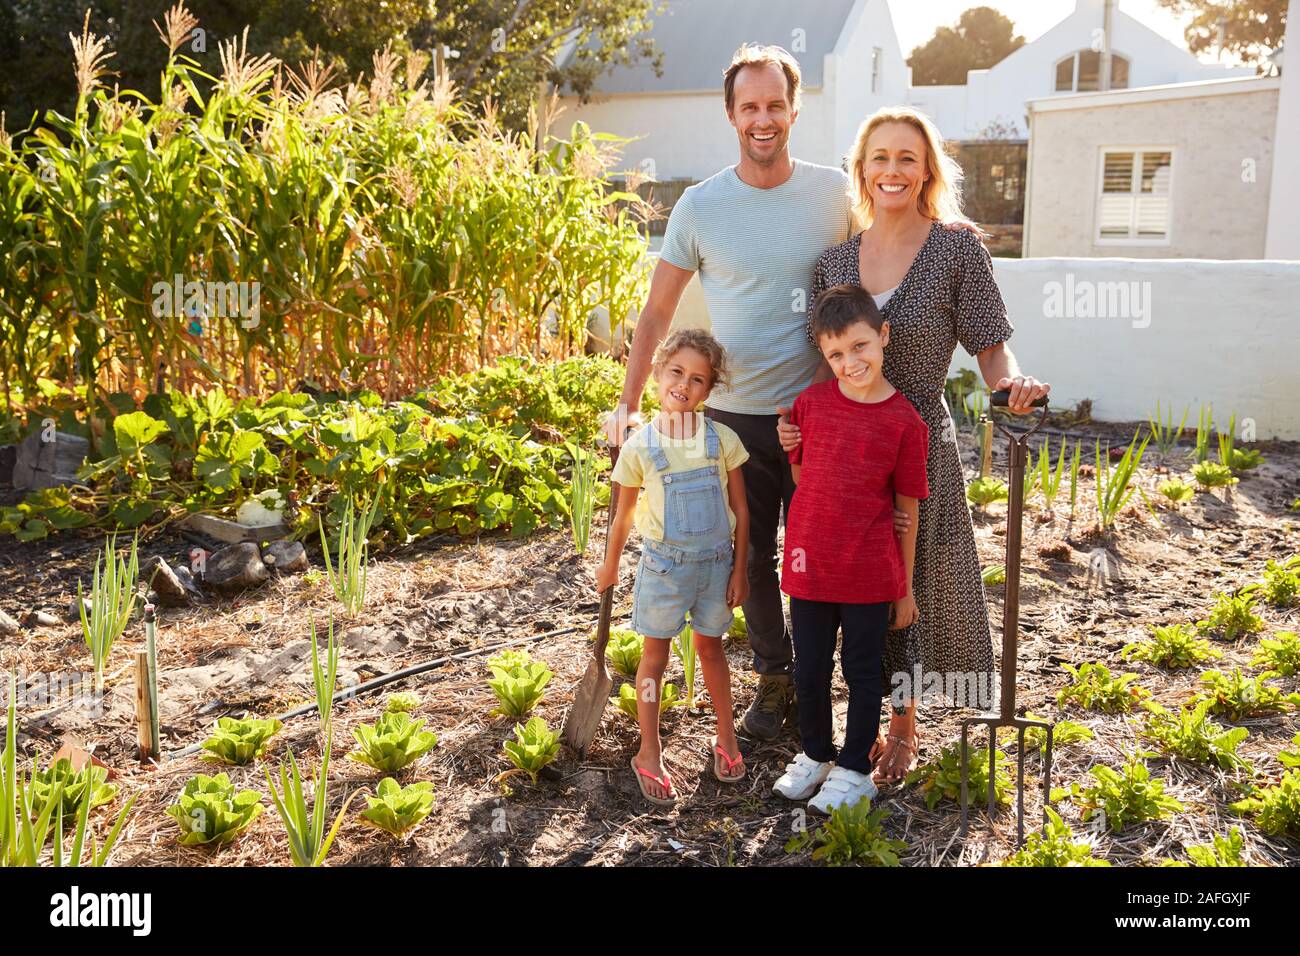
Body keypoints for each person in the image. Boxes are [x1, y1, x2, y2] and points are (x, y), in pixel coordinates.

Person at [603, 44, 912, 741]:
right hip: (733, 421)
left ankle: (827, 683)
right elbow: (655, 314)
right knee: (750, 556)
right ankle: (777, 677)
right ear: (732, 115)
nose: (763, 118)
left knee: (832, 554)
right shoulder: (701, 206)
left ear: (794, 111)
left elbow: (887, 252)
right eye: (751, 107)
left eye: (776, 105)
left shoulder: (835, 193)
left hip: (822, 416)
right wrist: (628, 404)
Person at [777, 106, 1050, 784]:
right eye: (880, 158)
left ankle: (904, 725)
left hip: (916, 442)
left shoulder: (957, 248)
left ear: (926, 167)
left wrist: (1011, 382)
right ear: (861, 170)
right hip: (843, 455)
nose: (892, 170)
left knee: (913, 586)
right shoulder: (834, 262)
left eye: (907, 157)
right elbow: (824, 364)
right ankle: (844, 733)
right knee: (853, 589)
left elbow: (991, 344)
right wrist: (799, 428)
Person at [771, 284, 928, 813]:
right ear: (823, 354)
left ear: (883, 336)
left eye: (860, 346)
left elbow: (909, 511)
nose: (850, 361)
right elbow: (801, 479)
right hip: (809, 570)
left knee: (861, 674)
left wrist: (902, 591)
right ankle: (816, 754)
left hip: (868, 575)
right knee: (808, 669)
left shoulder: (906, 422)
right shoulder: (809, 405)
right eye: (836, 354)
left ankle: (856, 767)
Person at [596, 329, 750, 805]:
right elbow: (622, 516)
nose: (685, 384)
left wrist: (740, 568)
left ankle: (726, 736)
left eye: (699, 379)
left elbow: (742, 511)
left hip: (715, 566)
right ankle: (649, 749)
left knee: (711, 650)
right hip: (664, 568)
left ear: (710, 388)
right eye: (677, 372)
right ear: (659, 371)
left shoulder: (720, 438)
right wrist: (609, 566)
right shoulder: (641, 446)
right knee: (655, 659)